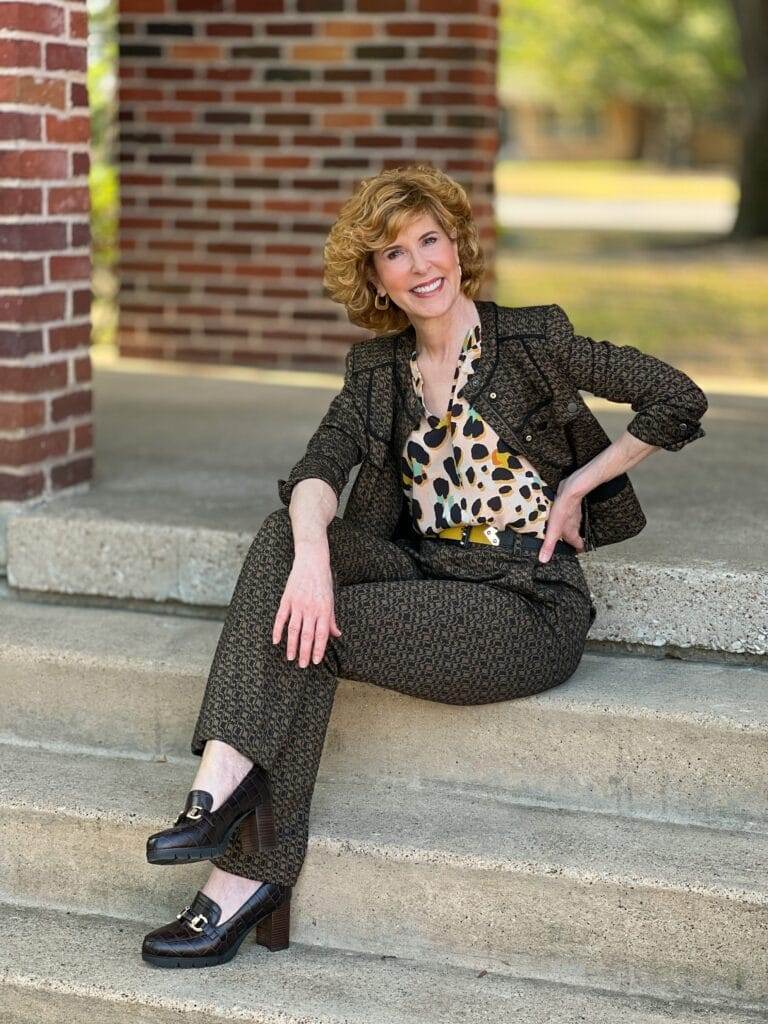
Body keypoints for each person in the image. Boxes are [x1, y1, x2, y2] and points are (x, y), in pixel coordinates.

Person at [140, 163, 708, 969]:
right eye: (394, 255)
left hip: (522, 604)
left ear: (456, 245)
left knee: (306, 634)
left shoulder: (531, 343)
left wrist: (580, 483)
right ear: (375, 278)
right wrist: (310, 557)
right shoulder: (378, 375)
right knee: (285, 540)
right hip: (424, 574)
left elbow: (676, 396)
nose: (420, 266)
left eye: (429, 241)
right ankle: (224, 778)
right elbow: (317, 467)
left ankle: (240, 872)